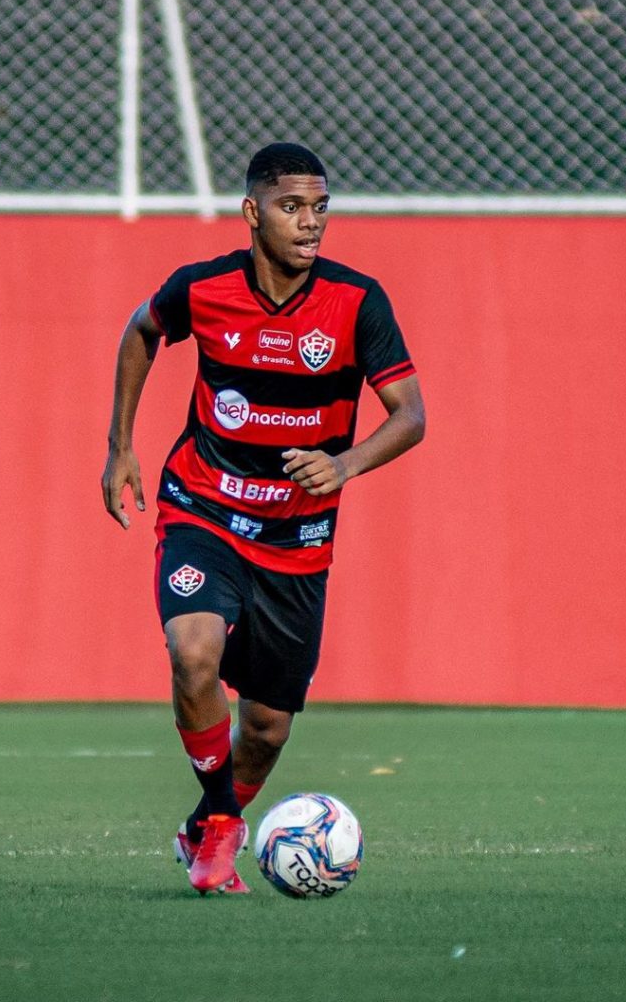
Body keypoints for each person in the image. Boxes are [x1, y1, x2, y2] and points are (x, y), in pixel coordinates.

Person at [101, 143, 425, 894]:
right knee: (192, 654)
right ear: (253, 213)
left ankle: (205, 824)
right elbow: (142, 331)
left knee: (269, 728)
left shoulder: (357, 301)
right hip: (203, 508)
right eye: (291, 207)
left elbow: (411, 416)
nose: (310, 223)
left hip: (297, 538)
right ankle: (221, 828)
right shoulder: (205, 288)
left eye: (320, 208)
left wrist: (344, 464)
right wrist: (121, 448)